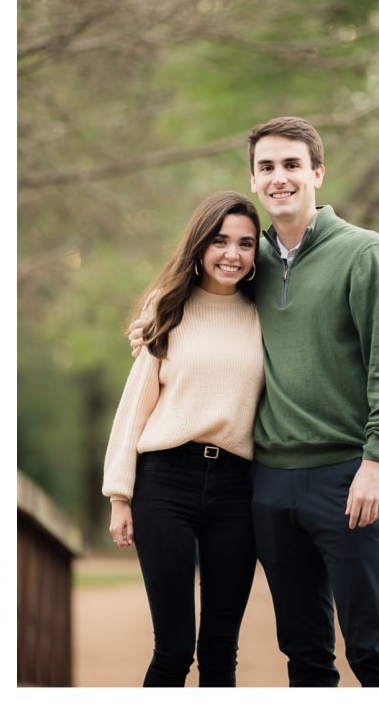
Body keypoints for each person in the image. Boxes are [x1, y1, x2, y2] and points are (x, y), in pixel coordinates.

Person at [130, 117, 379, 686]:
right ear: (254, 179)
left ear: (317, 172)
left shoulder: (364, 253)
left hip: (346, 477)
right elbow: (201, 286)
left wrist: (375, 461)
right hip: (269, 484)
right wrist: (150, 319)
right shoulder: (253, 260)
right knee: (305, 654)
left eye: (291, 165)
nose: (279, 178)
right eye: (267, 167)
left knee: (370, 647)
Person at [103, 191, 264, 687]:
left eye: (245, 243)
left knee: (220, 651)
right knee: (173, 648)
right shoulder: (167, 307)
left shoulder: (268, 316)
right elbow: (137, 406)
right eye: (219, 241)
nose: (232, 254)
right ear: (198, 244)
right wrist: (120, 495)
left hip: (239, 488)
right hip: (166, 481)